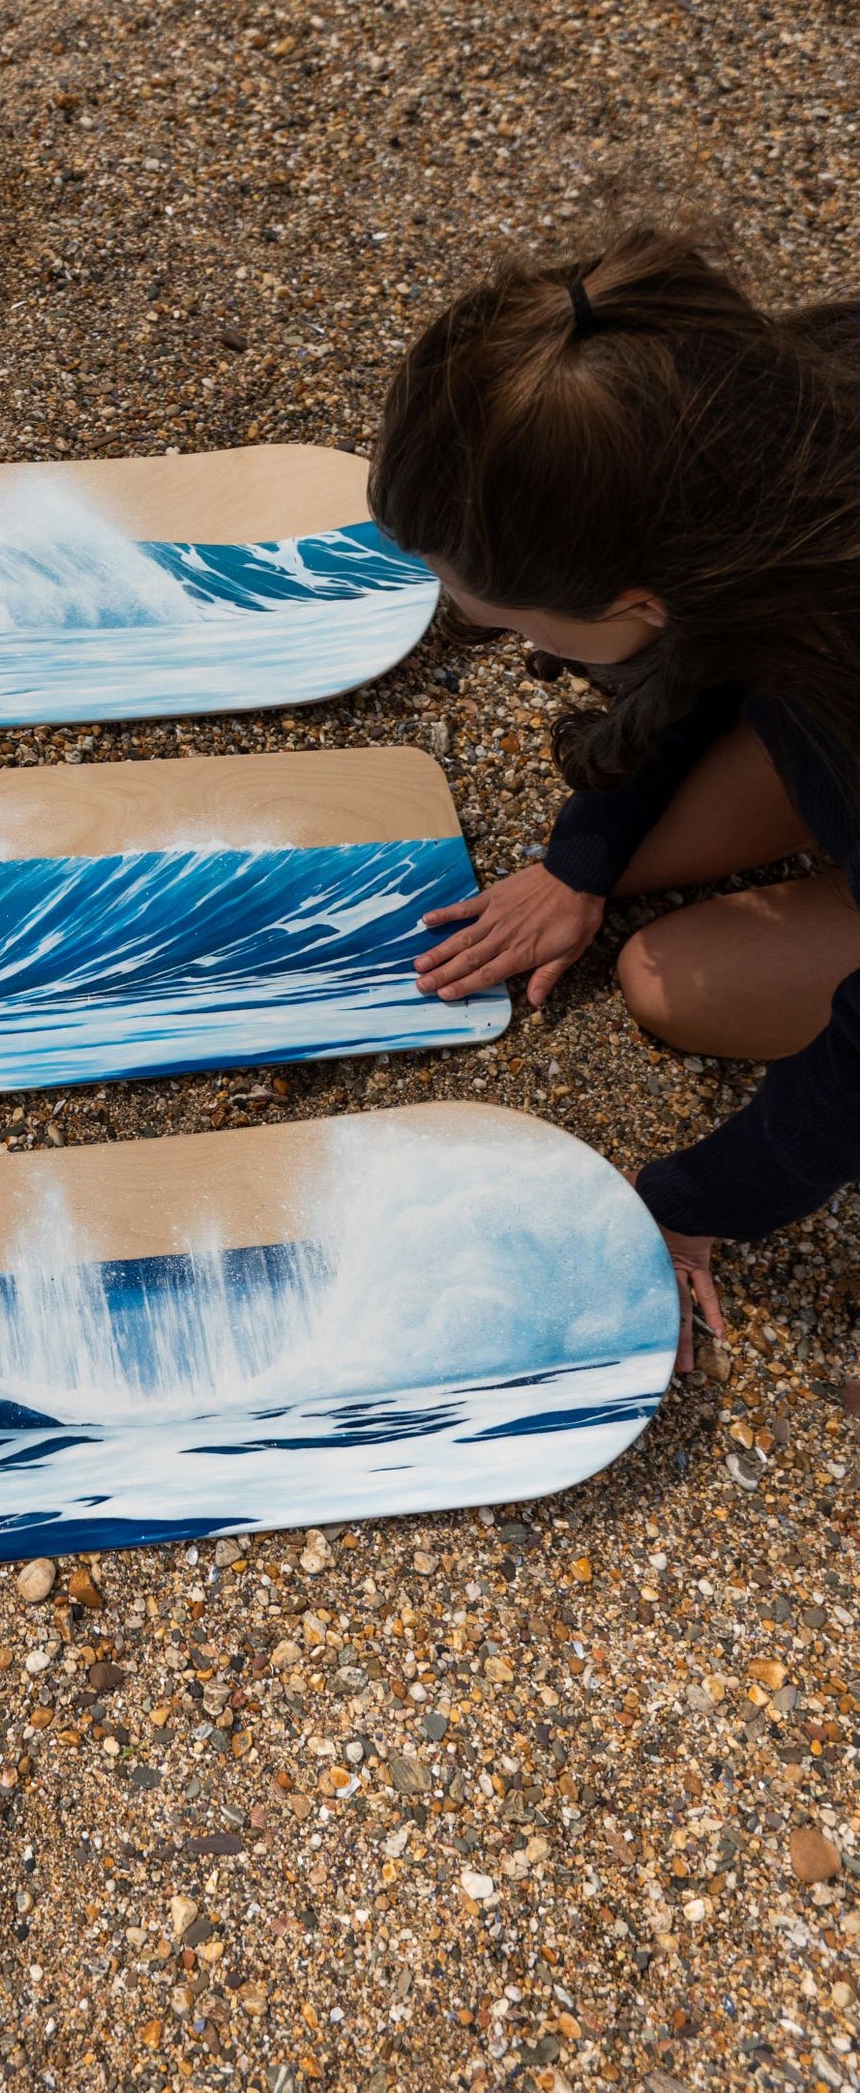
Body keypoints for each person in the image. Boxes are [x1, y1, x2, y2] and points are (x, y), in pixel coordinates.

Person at [368, 224, 860, 1373]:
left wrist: (694, 1202)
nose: (491, 629)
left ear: (639, 598)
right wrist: (582, 858)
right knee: (642, 865)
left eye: (505, 619)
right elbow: (700, 642)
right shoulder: (763, 411)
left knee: (668, 984)